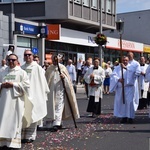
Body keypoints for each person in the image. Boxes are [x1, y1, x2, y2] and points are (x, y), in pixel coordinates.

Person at [0, 54, 30, 149]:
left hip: (16, 101)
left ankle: (13, 144)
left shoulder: (22, 73)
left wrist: (13, 84)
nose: (11, 62)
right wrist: (1, 85)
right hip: (4, 101)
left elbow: (26, 86)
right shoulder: (2, 72)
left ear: (17, 61)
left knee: (15, 121)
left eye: (13, 60)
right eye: (9, 60)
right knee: (3, 120)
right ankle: (3, 142)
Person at [45, 54, 80, 132]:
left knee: (59, 106)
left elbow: (68, 81)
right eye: (53, 60)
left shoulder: (62, 68)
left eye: (56, 60)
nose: (54, 62)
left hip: (60, 90)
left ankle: (56, 123)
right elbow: (46, 80)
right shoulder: (49, 69)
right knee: (51, 106)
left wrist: (64, 78)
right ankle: (55, 122)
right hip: (51, 92)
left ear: (59, 60)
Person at [21, 50, 50, 143]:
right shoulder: (21, 68)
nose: (27, 56)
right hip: (23, 94)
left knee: (33, 114)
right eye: (25, 55)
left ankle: (31, 135)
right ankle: (23, 135)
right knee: (24, 114)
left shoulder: (37, 68)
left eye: (29, 54)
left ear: (32, 56)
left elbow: (42, 82)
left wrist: (43, 93)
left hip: (34, 94)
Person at [110, 56, 140, 124]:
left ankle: (130, 117)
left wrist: (126, 68)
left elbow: (135, 73)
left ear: (128, 60)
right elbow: (113, 75)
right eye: (123, 60)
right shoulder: (117, 68)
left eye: (126, 60)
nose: (125, 62)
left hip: (129, 88)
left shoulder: (131, 67)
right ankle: (124, 117)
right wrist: (118, 79)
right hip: (121, 89)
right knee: (122, 103)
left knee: (129, 102)